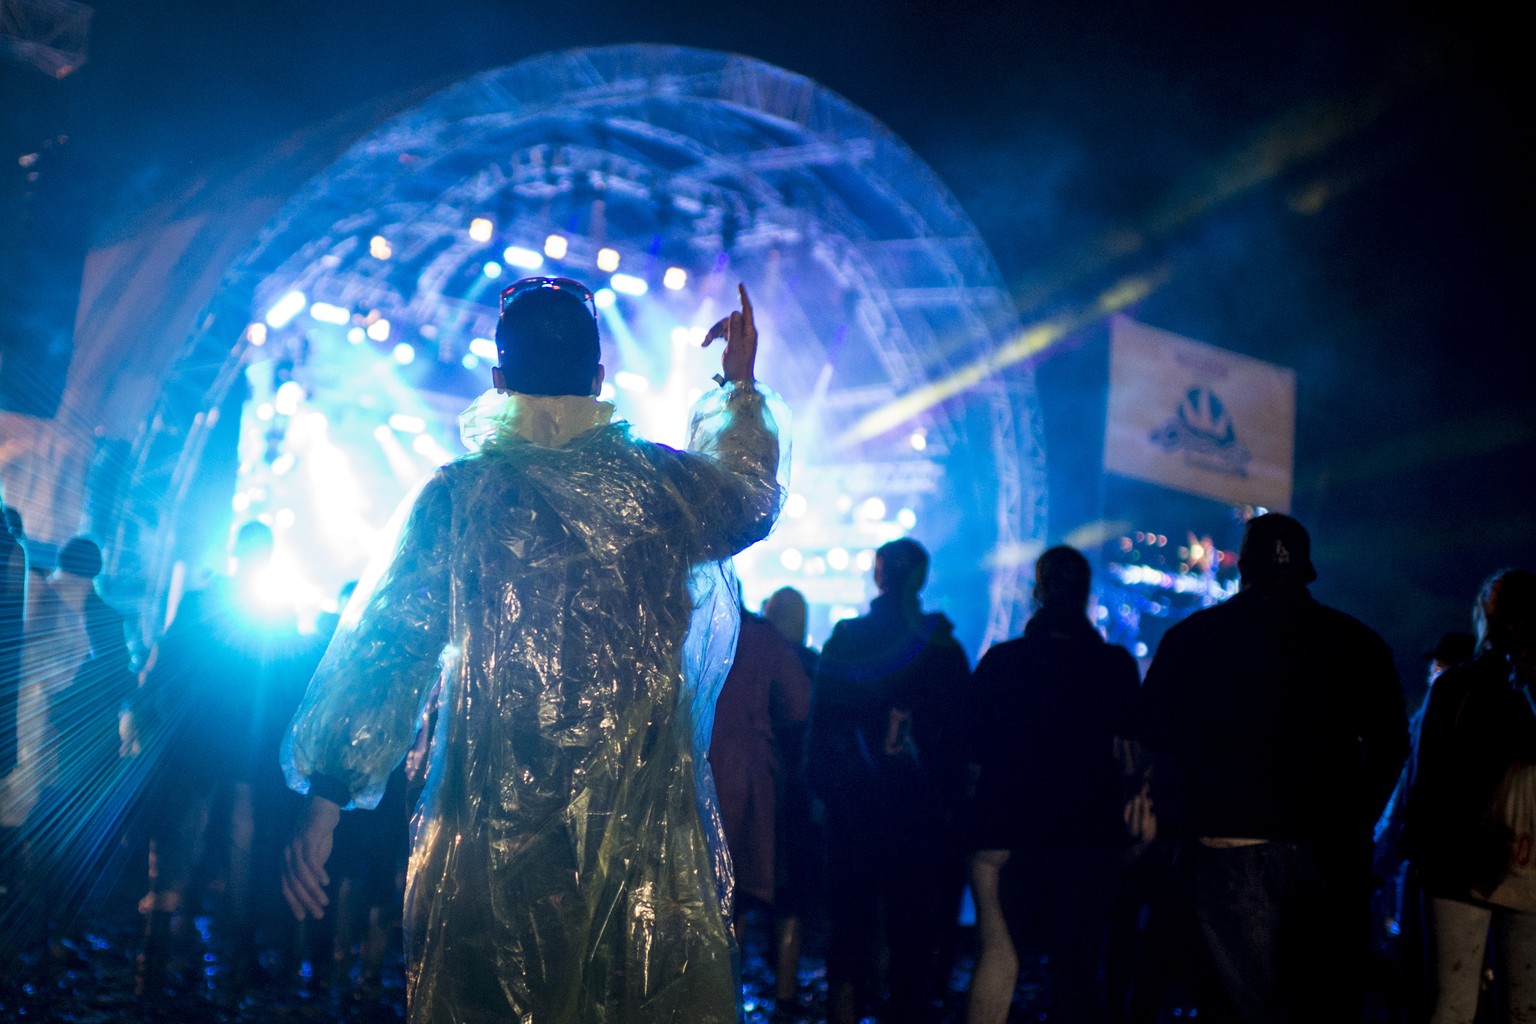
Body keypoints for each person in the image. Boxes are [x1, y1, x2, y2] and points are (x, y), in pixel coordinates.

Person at [281, 278, 784, 1024]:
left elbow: (389, 650)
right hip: (643, 840)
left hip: (488, 844)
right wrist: (737, 389)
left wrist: (327, 797)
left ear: (498, 380)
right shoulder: (662, 492)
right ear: (599, 381)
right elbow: (745, 496)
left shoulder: (459, 498)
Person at [1139, 512, 1408, 1023]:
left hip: (1228, 838)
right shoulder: (1357, 642)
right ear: (1306, 570)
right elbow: (1392, 744)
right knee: (1321, 1002)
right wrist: (1359, 819)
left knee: (1237, 1005)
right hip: (1329, 845)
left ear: (1244, 568)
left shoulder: (1194, 638)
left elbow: (1154, 733)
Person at [132, 519, 313, 995]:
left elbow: (167, 664)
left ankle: (159, 958)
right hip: (242, 748)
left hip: (200, 743)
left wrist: (151, 714)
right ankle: (232, 958)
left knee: (183, 844)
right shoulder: (272, 611)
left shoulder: (203, 600)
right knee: (238, 848)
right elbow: (289, 684)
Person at [964, 545, 1140, 1024]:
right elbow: (1134, 756)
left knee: (998, 959)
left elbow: (968, 750)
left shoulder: (1003, 661)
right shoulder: (1115, 666)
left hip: (1004, 830)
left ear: (1037, 592)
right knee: (1078, 971)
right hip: (1087, 835)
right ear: (1085, 594)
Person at [808, 537, 972, 1024]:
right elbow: (960, 738)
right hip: (918, 813)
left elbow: (822, 725)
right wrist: (947, 800)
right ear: (921, 578)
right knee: (911, 930)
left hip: (854, 805)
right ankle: (906, 1011)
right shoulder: (944, 647)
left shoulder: (848, 637)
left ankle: (843, 1012)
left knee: (849, 923)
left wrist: (824, 789)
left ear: (879, 574)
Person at [1402, 569, 1536, 1024]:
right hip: (1526, 854)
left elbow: (1425, 777)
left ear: (1484, 616)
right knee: (1524, 1006)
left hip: (1454, 860)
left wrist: (1416, 850)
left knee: (1451, 1002)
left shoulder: (1456, 686)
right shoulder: (1522, 688)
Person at [707, 607, 810, 945]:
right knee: (732, 890)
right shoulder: (761, 636)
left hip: (685, 771)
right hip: (744, 774)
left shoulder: (678, 627)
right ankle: (725, 988)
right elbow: (798, 703)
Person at [760, 585, 821, 1010]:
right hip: (799, 791)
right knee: (792, 894)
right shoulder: (812, 664)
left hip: (762, 787)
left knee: (745, 887)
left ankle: (735, 988)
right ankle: (786, 992)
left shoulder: (752, 662)